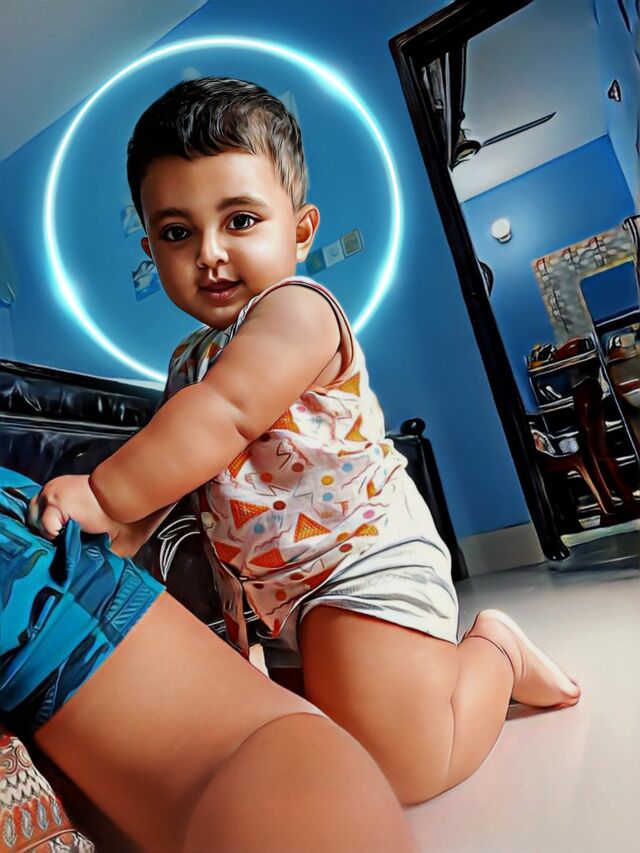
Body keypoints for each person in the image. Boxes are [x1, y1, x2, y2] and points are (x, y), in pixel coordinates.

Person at [30, 75, 581, 825]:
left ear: (300, 230)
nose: (210, 254)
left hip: (361, 557)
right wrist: (114, 536)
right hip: (271, 593)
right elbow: (179, 472)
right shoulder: (189, 361)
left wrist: (102, 491)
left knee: (405, 765)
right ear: (150, 248)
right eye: (177, 232)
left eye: (240, 219)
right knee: (304, 743)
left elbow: (224, 417)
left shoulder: (299, 312)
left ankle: (496, 653)